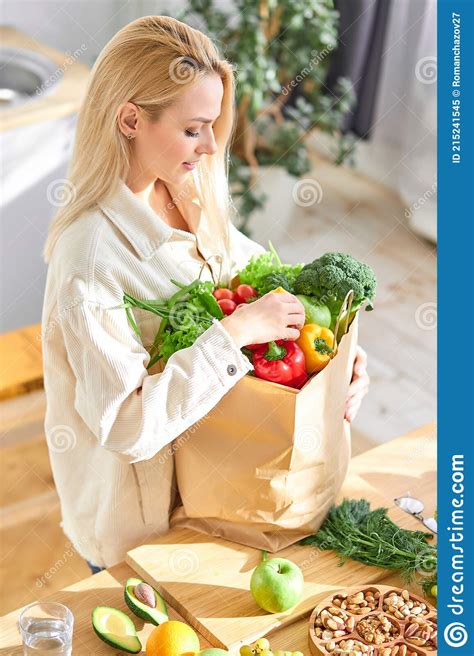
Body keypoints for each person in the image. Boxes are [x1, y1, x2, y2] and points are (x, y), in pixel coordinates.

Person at [41, 16, 369, 574]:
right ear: (129, 119)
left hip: (223, 493)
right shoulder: (90, 261)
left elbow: (263, 280)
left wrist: (336, 351)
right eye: (194, 128)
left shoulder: (188, 189)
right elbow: (127, 428)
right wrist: (235, 334)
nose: (214, 144)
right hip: (142, 531)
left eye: (214, 124)